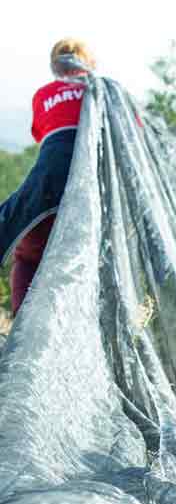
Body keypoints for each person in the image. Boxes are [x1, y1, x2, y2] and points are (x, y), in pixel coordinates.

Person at [0, 39, 95, 316]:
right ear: (88, 62)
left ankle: (20, 325)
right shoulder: (107, 92)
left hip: (49, 185)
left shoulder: (45, 93)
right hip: (93, 190)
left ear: (55, 65)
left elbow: (41, 133)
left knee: (27, 253)